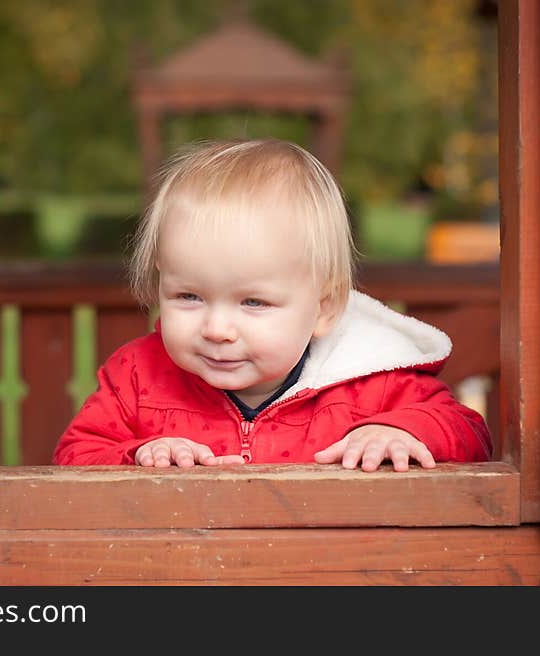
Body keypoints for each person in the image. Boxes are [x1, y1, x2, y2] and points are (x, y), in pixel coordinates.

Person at [52, 138, 491, 470]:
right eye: (189, 296)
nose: (217, 329)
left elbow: (469, 431)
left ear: (323, 308)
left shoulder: (374, 382)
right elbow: (74, 454)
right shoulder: (137, 377)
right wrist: (138, 455)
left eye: (254, 302)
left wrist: (396, 429)